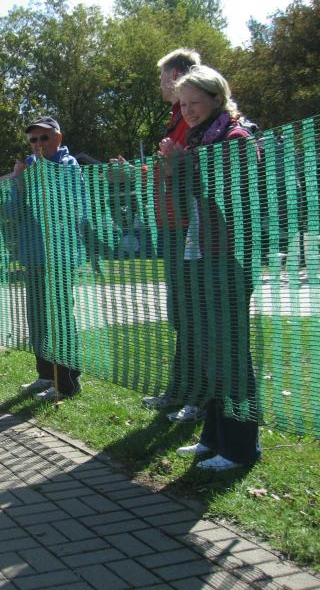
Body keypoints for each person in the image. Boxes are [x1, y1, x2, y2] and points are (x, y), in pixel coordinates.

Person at [159, 66, 261, 471]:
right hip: (203, 255)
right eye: (182, 104)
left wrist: (182, 165)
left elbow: (227, 196)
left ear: (217, 99)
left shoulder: (235, 139)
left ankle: (240, 449)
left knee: (231, 355)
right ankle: (213, 439)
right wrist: (175, 169)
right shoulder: (202, 139)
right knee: (212, 352)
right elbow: (187, 200)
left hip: (229, 260)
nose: (187, 111)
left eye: (194, 103)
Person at [138, 48, 206, 423]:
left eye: (164, 78)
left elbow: (191, 171)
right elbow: (170, 170)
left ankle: (197, 396)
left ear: (177, 76)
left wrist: (172, 166)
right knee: (181, 314)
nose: (162, 85)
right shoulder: (177, 118)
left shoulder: (194, 121)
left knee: (192, 315)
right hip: (173, 229)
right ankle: (180, 389)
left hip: (189, 231)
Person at [9, 115, 83, 401]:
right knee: (38, 318)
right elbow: (13, 213)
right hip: (34, 256)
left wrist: (41, 177)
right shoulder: (27, 169)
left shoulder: (69, 165)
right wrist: (19, 183)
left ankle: (67, 382)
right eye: (33, 140)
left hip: (60, 256)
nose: (38, 144)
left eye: (44, 138)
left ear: (58, 139)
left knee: (61, 317)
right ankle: (45, 374)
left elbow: (70, 205)